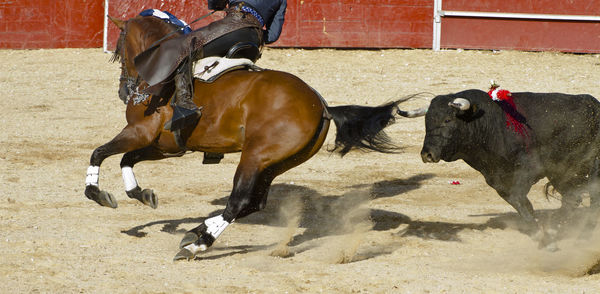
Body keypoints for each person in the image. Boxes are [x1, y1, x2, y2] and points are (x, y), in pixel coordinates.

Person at [134, 0, 287, 131]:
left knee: (181, 48)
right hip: (253, 42)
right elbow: (273, 35)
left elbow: (216, 3)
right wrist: (254, 31)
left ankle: (185, 104)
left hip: (232, 28)